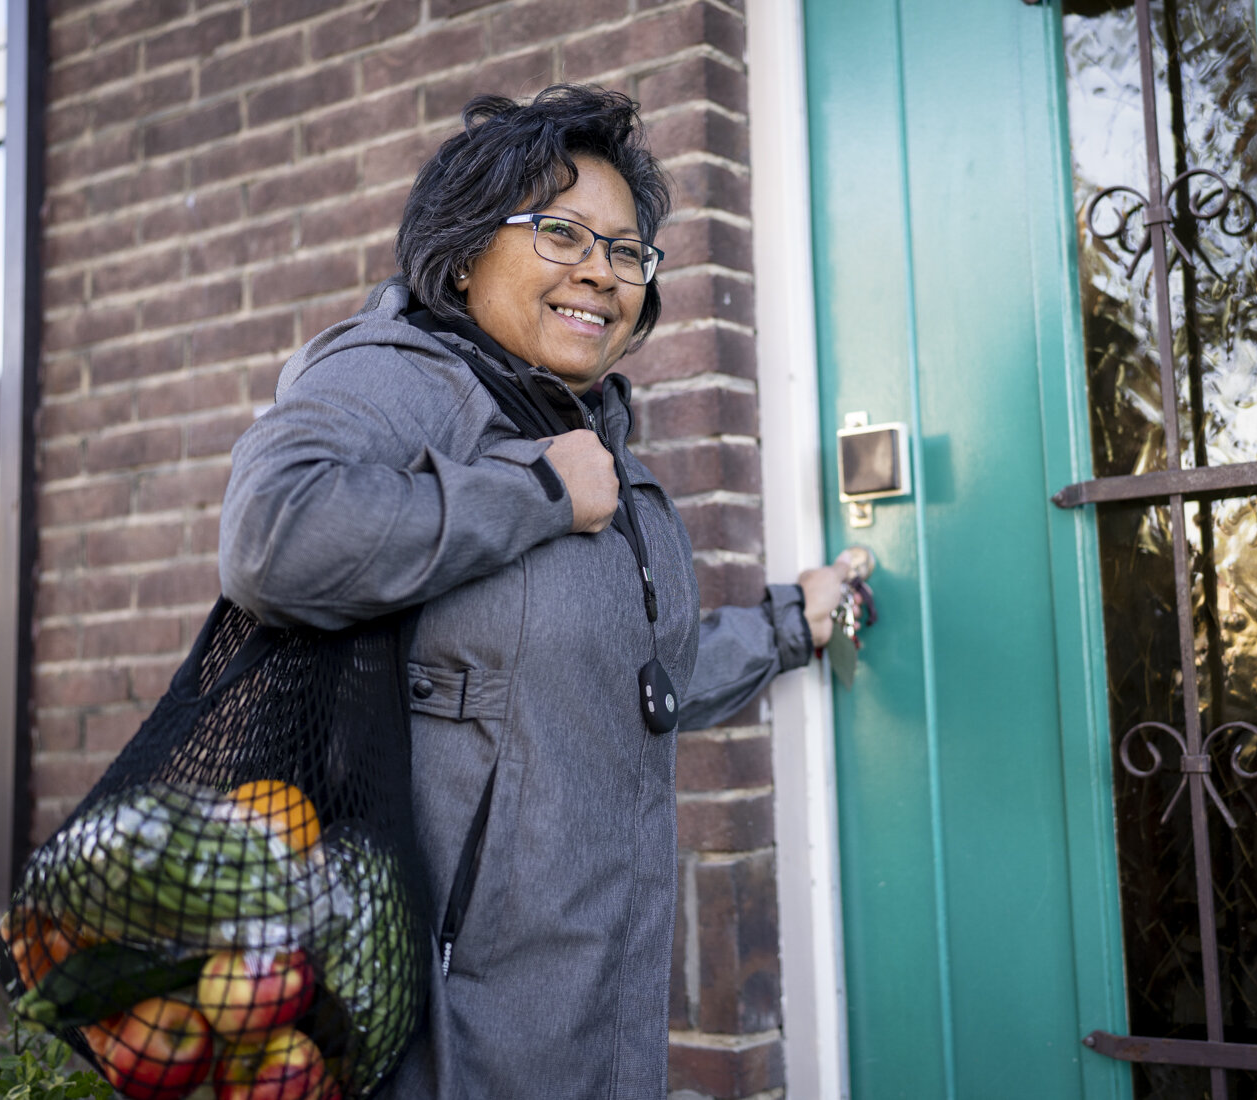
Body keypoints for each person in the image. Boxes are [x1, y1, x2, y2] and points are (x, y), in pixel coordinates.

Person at [217, 84, 849, 1098]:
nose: (601, 270)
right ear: (464, 253)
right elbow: (272, 532)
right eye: (561, 232)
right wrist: (539, 491)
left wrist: (789, 625)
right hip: (455, 1031)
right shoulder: (409, 376)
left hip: (599, 1011)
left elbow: (642, 678)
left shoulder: (587, 429)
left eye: (627, 249)